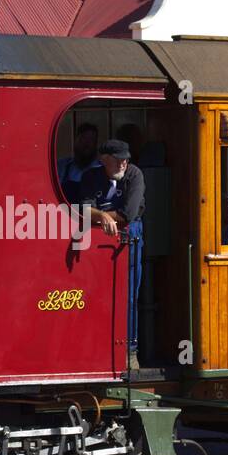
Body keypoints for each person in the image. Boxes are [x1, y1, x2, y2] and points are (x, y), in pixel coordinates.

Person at [80, 139, 145, 371]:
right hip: (97, 244)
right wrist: (102, 216)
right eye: (117, 159)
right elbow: (83, 209)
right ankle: (98, 350)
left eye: (125, 158)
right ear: (103, 160)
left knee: (128, 298)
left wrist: (98, 215)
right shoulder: (90, 177)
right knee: (96, 295)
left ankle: (130, 352)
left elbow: (128, 214)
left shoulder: (134, 175)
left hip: (129, 239)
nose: (123, 163)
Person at [57, 123, 101, 203]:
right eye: (83, 139)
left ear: (96, 144)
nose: (87, 144)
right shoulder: (61, 166)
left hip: (90, 214)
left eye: (91, 140)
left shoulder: (102, 169)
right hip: (65, 212)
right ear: (75, 141)